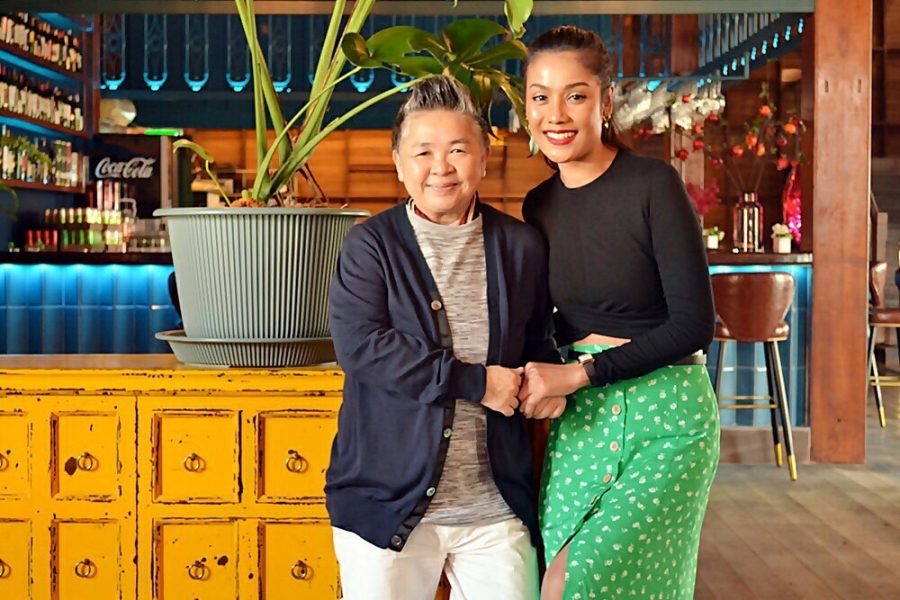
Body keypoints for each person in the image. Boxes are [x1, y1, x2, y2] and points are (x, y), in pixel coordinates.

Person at [326, 75, 564, 600]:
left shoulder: (521, 246)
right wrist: (477, 383)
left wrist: (545, 385)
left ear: (484, 157)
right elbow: (362, 347)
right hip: (385, 501)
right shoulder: (370, 246)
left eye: (458, 149)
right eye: (423, 152)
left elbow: (538, 342)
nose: (441, 167)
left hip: (496, 507)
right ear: (398, 162)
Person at [516, 26, 721, 600]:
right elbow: (556, 322)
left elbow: (693, 326)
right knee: (549, 580)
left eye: (575, 95)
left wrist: (579, 373)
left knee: (574, 580)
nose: (556, 114)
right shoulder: (539, 205)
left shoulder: (654, 185)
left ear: (605, 102)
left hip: (667, 420)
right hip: (584, 421)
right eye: (540, 96)